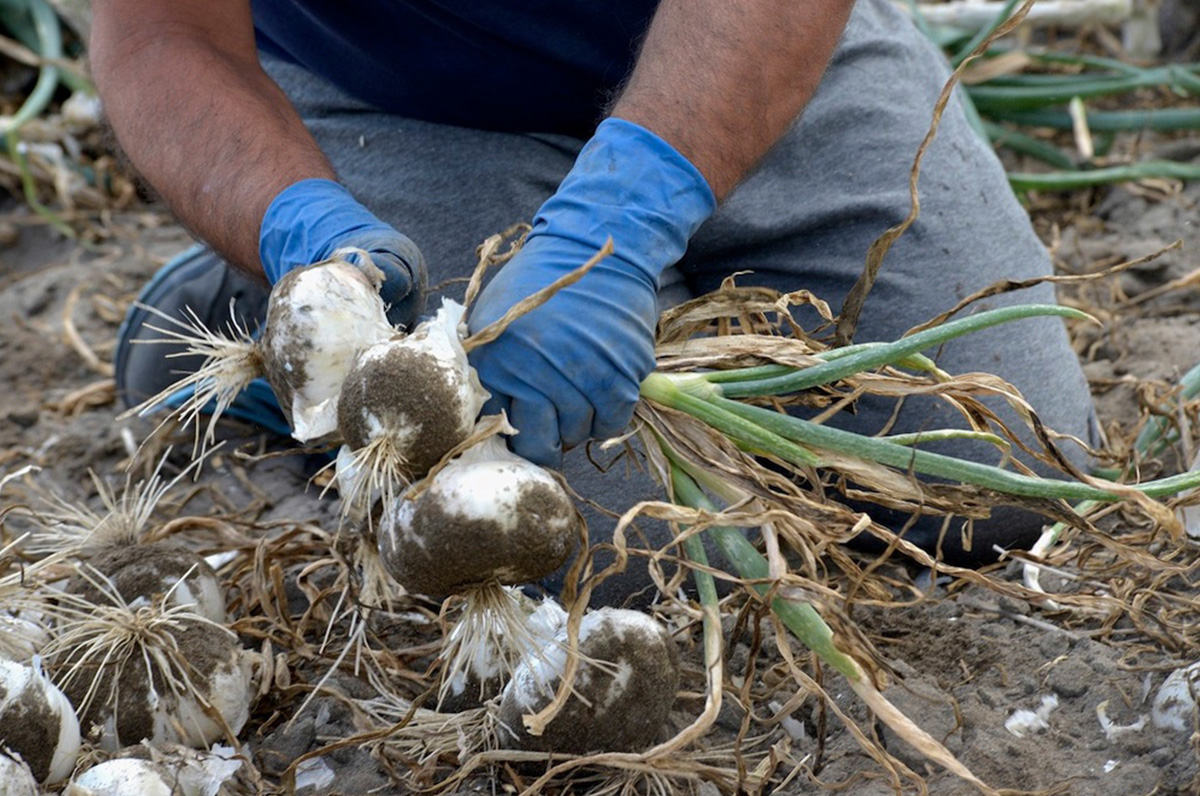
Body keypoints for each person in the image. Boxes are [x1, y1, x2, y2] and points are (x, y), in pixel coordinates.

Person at [95, 0, 1099, 604]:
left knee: (998, 469)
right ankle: (284, 316)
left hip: (743, 35)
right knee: (624, 566)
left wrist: (626, 209)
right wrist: (303, 234)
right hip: (395, 96)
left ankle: (644, 247)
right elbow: (159, 32)